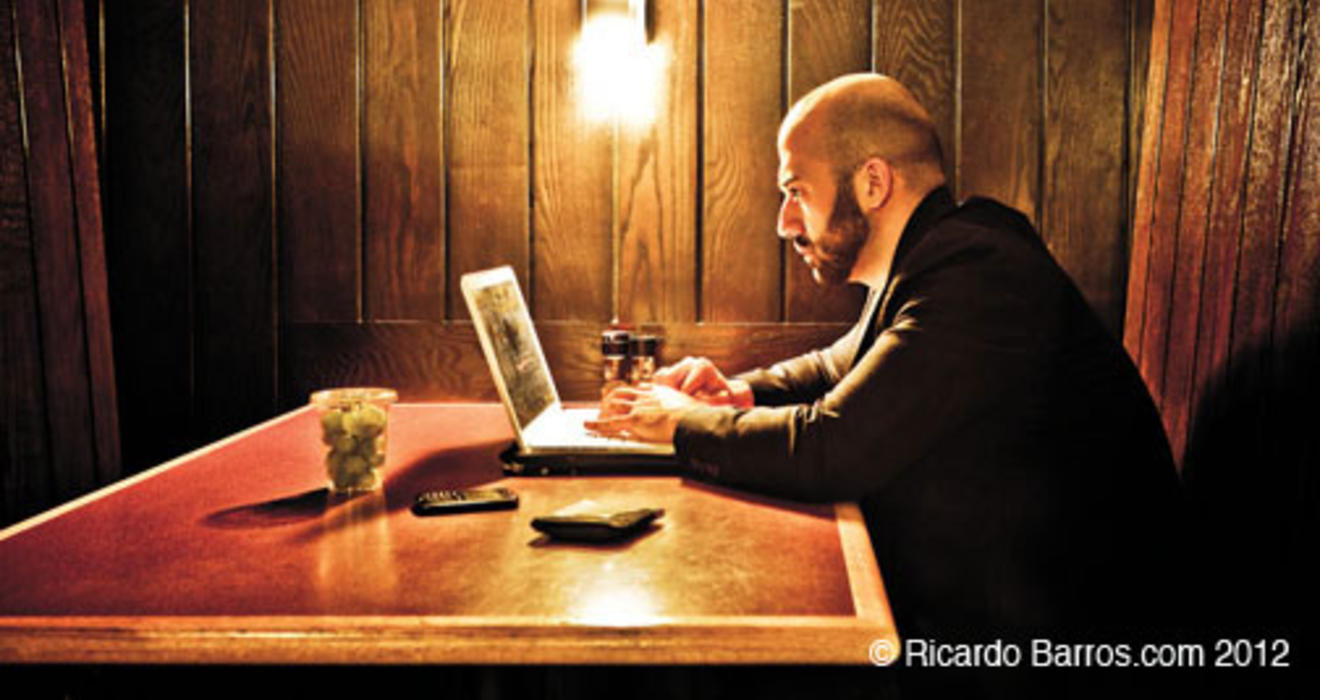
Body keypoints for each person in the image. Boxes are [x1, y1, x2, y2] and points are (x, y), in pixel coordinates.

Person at [586, 73, 1183, 672]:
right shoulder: (932, 260)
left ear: (873, 182)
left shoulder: (979, 274)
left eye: (797, 191)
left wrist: (682, 425)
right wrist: (739, 392)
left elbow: (833, 449)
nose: (785, 222)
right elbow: (833, 367)